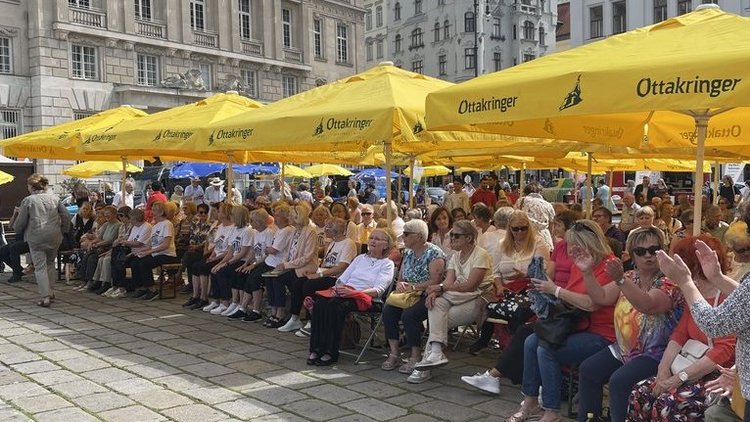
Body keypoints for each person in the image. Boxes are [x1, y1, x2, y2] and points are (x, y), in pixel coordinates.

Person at [505, 220, 616, 422]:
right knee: (530, 341)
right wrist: (547, 293)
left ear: (590, 242)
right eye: (569, 244)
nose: (571, 249)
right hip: (579, 326)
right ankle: (530, 400)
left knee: (546, 350)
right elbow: (573, 300)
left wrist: (555, 290)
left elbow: (592, 304)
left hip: (602, 334)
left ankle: (551, 411)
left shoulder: (609, 266)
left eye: (575, 244)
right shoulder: (580, 264)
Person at [577, 227, 684, 422]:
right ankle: (589, 419)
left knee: (619, 381)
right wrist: (587, 272)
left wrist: (619, 280)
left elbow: (648, 305)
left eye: (654, 249)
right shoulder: (630, 277)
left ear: (663, 250)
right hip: (625, 349)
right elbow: (600, 297)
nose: (648, 255)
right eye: (641, 251)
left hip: (657, 353)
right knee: (588, 369)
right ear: (632, 255)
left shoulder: (670, 281)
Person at [628, 235, 736, 421]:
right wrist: (663, 369)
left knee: (668, 402)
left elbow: (723, 350)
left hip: (718, 376)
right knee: (641, 392)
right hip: (690, 367)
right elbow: (680, 333)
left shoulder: (727, 296)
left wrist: (678, 378)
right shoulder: (693, 292)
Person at [656, 234, 750, 422]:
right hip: (736, 378)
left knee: (670, 404)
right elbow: (744, 298)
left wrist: (685, 282)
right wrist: (663, 369)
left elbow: (712, 326)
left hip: (724, 376)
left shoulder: (700, 294)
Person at [412, 220, 493, 382]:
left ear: (469, 238)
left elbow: (471, 286)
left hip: (477, 299)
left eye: (456, 236)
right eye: (450, 235)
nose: (451, 239)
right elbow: (449, 282)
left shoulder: (481, 254)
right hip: (457, 297)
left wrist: (439, 289)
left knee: (437, 320)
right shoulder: (456, 256)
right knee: (436, 306)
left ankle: (427, 363)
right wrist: (440, 290)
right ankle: (434, 355)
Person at [307, 228, 396, 366]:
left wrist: (354, 293)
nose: (373, 241)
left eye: (377, 239)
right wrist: (341, 289)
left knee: (334, 306)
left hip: (367, 298)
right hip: (346, 293)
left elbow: (378, 290)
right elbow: (342, 279)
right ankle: (316, 349)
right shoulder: (360, 259)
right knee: (320, 303)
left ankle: (330, 352)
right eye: (371, 238)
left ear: (386, 245)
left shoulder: (387, 264)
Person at [470, 210, 550, 355]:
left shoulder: (538, 242)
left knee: (518, 311)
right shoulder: (503, 245)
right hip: (507, 289)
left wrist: (526, 275)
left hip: (531, 288)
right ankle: (487, 339)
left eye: (523, 228)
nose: (520, 232)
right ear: (510, 229)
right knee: (487, 302)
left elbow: (543, 270)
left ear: (529, 227)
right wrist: (499, 286)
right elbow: (496, 271)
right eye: (515, 229)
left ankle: (512, 349)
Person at [381, 219, 446, 375]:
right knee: (389, 311)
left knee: (409, 315)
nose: (403, 237)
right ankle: (394, 353)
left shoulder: (434, 253)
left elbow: (435, 280)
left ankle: (416, 355)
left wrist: (414, 287)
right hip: (409, 294)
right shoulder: (408, 252)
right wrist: (401, 285)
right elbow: (402, 276)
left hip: (428, 293)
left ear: (418, 236)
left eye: (406, 234)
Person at [280, 217, 357, 336]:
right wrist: (314, 273)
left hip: (337, 279)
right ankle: (295, 318)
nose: (325, 230)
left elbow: (341, 267)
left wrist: (318, 275)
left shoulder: (348, 244)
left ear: (334, 230)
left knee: (309, 285)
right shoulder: (332, 242)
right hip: (325, 274)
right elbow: (326, 264)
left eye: (327, 228)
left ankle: (313, 321)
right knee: (298, 282)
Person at [13, 174, 71, 307]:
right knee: (50, 263)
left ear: (32, 186)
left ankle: (45, 296)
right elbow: (66, 215)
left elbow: (21, 222)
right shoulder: (55, 198)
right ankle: (50, 292)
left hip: (36, 236)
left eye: (28, 185)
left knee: (40, 266)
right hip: (55, 236)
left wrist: (17, 229)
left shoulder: (28, 200)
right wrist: (64, 230)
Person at [267, 204, 318, 328]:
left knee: (293, 283)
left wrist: (287, 265)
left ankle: (291, 316)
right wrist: (283, 264)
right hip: (293, 266)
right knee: (274, 277)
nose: (288, 217)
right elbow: (289, 252)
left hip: (306, 267)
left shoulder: (310, 231)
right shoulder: (295, 230)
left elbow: (307, 257)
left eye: (291, 215)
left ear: (297, 217)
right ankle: (278, 312)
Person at [209, 205, 254, 316]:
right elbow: (230, 251)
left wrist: (227, 263)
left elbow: (242, 253)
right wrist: (220, 263)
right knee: (214, 270)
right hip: (234, 258)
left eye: (233, 215)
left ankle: (228, 302)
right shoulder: (234, 229)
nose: (231, 216)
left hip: (243, 260)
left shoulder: (247, 231)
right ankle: (219, 300)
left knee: (223, 272)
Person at [129, 201, 178, 301]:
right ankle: (141, 287)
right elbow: (151, 244)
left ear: (161, 212)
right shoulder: (155, 226)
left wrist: (148, 252)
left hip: (167, 254)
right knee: (135, 261)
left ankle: (152, 289)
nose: (152, 212)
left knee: (144, 263)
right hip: (157, 253)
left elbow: (165, 245)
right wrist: (141, 251)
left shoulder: (167, 224)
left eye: (154, 210)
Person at [109, 208, 151, 297]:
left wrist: (122, 242)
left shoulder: (146, 227)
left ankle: (136, 287)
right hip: (134, 251)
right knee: (116, 260)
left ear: (135, 218)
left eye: (131, 218)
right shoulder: (134, 227)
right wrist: (122, 241)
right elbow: (129, 239)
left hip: (142, 251)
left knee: (131, 263)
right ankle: (117, 286)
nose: (130, 220)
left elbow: (138, 243)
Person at [99, 206, 133, 297]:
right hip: (120, 248)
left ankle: (121, 287)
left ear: (128, 216)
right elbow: (116, 241)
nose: (121, 218)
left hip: (129, 249)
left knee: (118, 262)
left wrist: (120, 241)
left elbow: (127, 240)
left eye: (122, 216)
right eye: (119, 216)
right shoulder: (122, 226)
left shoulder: (132, 226)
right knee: (112, 260)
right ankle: (114, 285)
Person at [516, 182, 556, 250]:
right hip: (544, 238)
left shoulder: (520, 201)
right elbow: (552, 225)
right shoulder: (548, 205)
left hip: (526, 236)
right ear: (540, 192)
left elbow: (515, 217)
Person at [0, 204, 30, 283]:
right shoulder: (18, 215)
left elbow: (18, 227)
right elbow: (10, 226)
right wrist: (14, 214)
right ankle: (19, 270)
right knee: (2, 251)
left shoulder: (28, 215)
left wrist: (21, 214)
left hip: (28, 240)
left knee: (14, 248)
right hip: (19, 240)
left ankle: (16, 274)